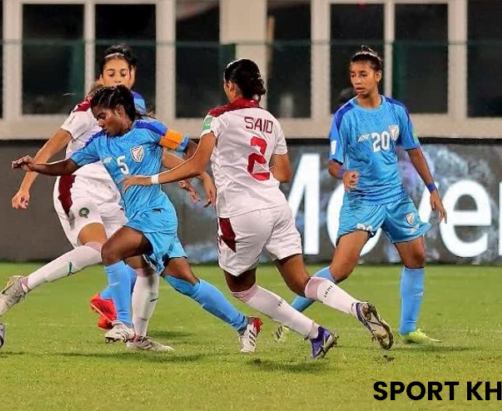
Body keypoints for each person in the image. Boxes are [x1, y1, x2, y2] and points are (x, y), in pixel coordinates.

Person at [120, 59, 394, 358]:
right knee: (301, 281)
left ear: (231, 86)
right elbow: (285, 174)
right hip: (276, 204)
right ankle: (354, 308)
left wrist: (149, 178)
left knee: (241, 288)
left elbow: (198, 163)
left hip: (241, 212)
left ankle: (315, 332)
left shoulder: (217, 117)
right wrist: (257, 179)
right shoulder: (270, 120)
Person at [11, 85, 262, 353]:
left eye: (103, 116)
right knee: (186, 283)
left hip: (156, 215)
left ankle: (124, 324)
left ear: (120, 110)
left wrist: (195, 175)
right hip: (140, 217)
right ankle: (244, 324)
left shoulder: (149, 130)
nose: (99, 122)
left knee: (110, 250)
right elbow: (68, 166)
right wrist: (35, 166)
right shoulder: (100, 142)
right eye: (96, 117)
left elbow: (191, 149)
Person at [0, 44, 202, 350]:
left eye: (122, 73)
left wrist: (186, 173)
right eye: (110, 73)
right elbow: (52, 149)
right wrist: (27, 184)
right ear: (100, 77)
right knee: (98, 248)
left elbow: (151, 150)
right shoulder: (85, 112)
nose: (117, 78)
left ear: (132, 75)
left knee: (144, 269)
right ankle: (23, 285)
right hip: (78, 188)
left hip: (116, 195)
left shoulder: (134, 109)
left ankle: (137, 338)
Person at [278, 46, 447, 344]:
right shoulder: (345, 117)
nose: (357, 80)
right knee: (340, 270)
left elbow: (414, 152)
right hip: (362, 201)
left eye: (363, 74)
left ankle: (409, 328)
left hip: (395, 198)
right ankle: (290, 317)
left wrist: (433, 189)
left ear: (378, 76)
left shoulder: (396, 111)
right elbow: (332, 164)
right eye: (353, 75)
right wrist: (344, 174)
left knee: (417, 256)